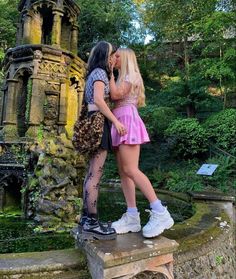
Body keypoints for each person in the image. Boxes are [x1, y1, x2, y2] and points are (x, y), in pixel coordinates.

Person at [109, 48, 174, 238]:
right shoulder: (123, 76)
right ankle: (132, 217)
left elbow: (116, 95)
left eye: (118, 56)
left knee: (131, 169)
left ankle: (160, 211)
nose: (114, 58)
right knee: (124, 173)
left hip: (126, 120)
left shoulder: (131, 74)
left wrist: (109, 73)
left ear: (127, 58)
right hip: (119, 120)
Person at [79, 41, 127, 240]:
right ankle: (92, 221)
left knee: (91, 174)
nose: (115, 58)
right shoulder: (99, 73)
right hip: (99, 123)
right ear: (106, 55)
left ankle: (86, 218)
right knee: (95, 176)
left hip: (94, 122)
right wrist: (115, 121)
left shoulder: (98, 73)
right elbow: (99, 100)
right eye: (113, 55)